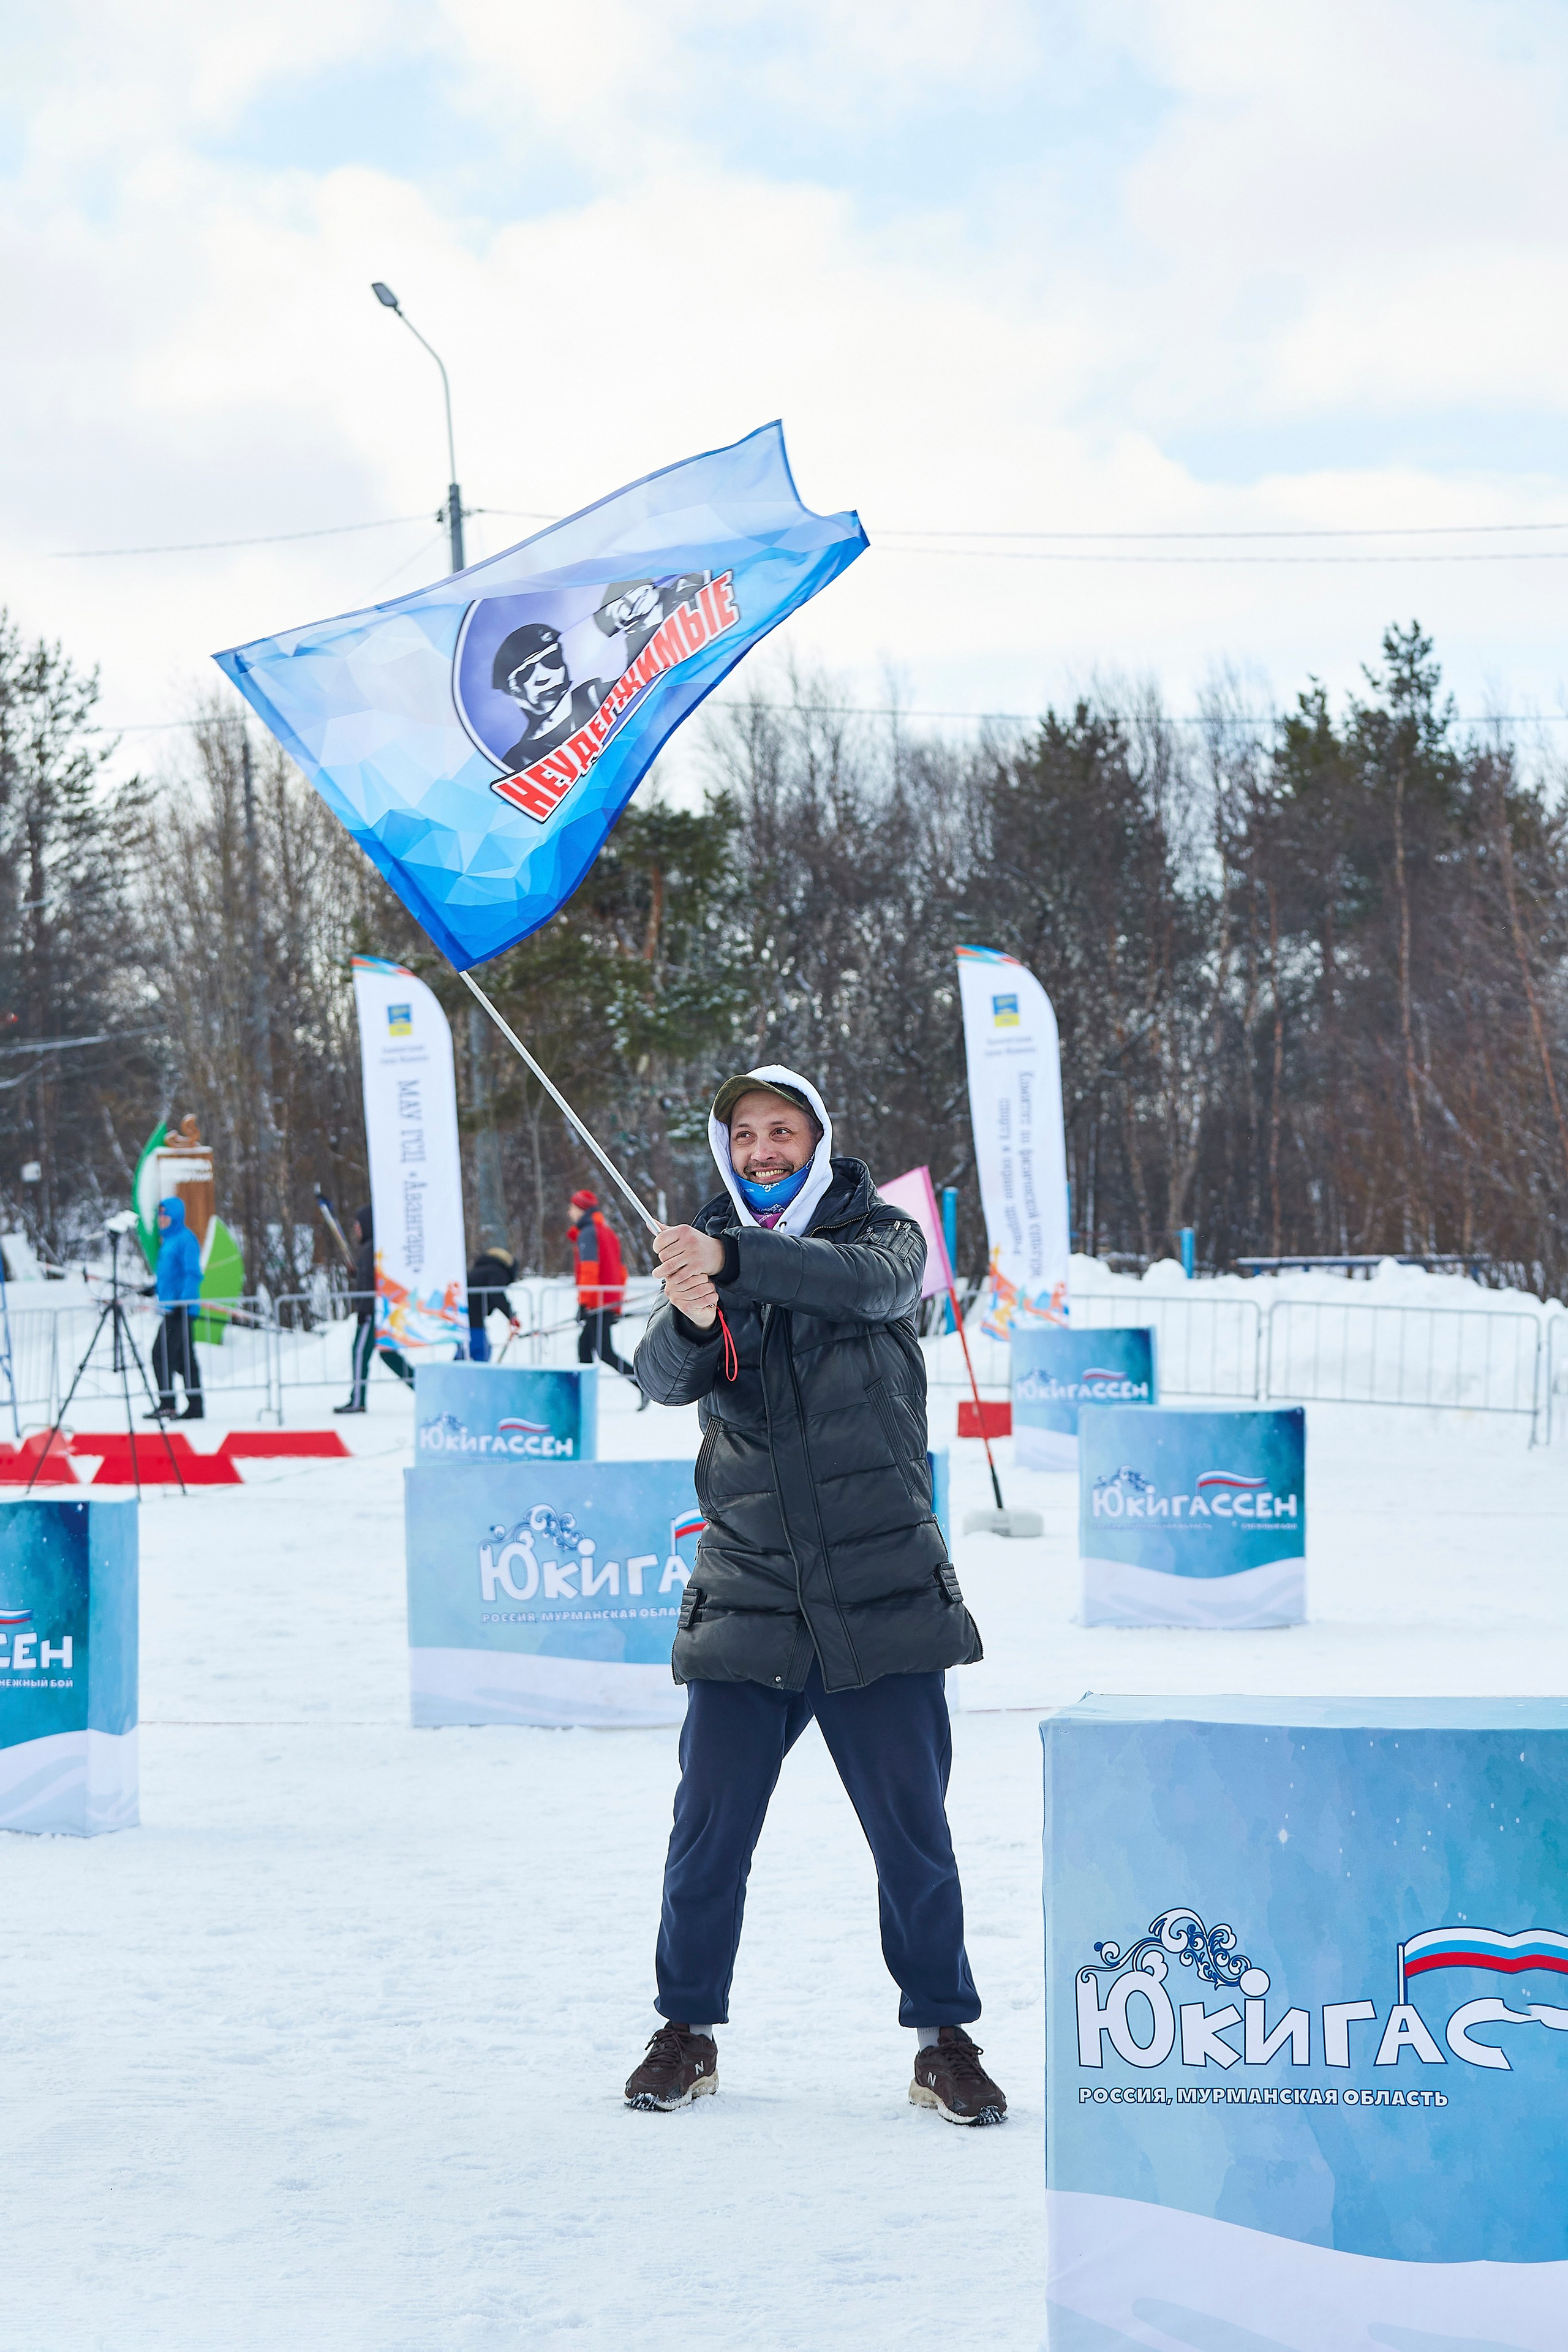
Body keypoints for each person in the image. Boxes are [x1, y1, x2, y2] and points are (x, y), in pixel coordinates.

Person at [623, 1067, 1006, 2128]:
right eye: (744, 1134)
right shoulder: (703, 1249)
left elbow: (863, 1288)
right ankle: (684, 2030)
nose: (761, 1150)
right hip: (749, 1590)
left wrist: (734, 1260)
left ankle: (944, 2039)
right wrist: (696, 1317)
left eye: (782, 1130)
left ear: (820, 1139)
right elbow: (658, 1377)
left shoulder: (885, 1235)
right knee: (708, 1833)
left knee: (912, 1839)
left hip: (880, 1587)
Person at [492, 624, 606, 769]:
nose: (544, 677)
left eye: (552, 660)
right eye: (527, 671)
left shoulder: (597, 697)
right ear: (514, 690)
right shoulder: (519, 760)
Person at [334, 1205, 413, 1413]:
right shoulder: (371, 1248)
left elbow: (375, 1283)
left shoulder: (372, 1249)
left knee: (360, 1352)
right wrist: (356, 1274)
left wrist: (365, 1310)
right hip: (377, 1312)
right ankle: (423, 1388)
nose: (355, 1228)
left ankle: (357, 1400)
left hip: (372, 1313)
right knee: (388, 1354)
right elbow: (369, 1278)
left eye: (358, 1224)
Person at [567, 1190, 644, 1399]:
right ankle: (585, 1395)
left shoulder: (588, 1233)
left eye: (572, 1208)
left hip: (597, 1303)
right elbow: (621, 1271)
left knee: (604, 1352)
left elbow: (589, 1270)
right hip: (607, 1301)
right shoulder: (606, 1231)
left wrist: (585, 1304)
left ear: (581, 1209)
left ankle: (641, 1386)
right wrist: (615, 1302)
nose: (570, 1213)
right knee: (586, 1347)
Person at [145, 1196, 204, 1421]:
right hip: (171, 1308)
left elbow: (192, 1274)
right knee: (183, 1358)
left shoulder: (185, 1239)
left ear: (175, 1216)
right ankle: (194, 1405)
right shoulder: (168, 1240)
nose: (161, 1219)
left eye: (165, 1215)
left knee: (162, 1354)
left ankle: (169, 1403)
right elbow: (171, 1275)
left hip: (181, 1309)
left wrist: (184, 1303)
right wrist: (155, 1288)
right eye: (159, 1215)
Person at [466, 1242, 519, 1363]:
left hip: (466, 1315)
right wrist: (511, 1316)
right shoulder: (498, 1272)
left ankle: (447, 1378)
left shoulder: (481, 1270)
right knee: (482, 1352)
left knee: (466, 1351)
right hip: (474, 1319)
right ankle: (479, 1379)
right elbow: (496, 1295)